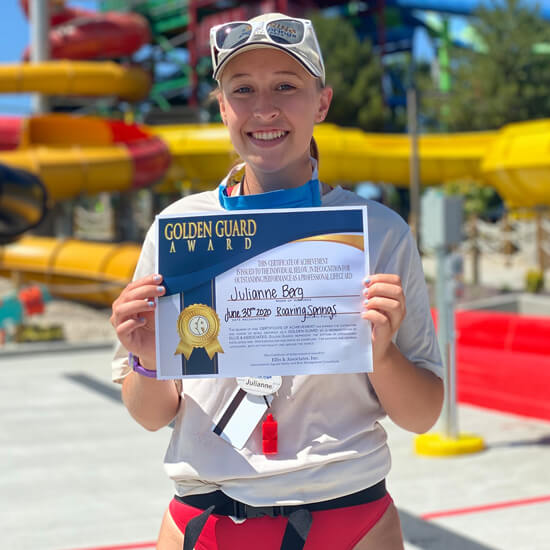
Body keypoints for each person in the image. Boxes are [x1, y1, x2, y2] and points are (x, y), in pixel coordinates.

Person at [110, 12, 444, 550]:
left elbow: (424, 414)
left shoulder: (377, 232)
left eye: (286, 86)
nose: (264, 108)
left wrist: (381, 353)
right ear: (222, 107)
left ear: (322, 102)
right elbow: (151, 416)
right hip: (207, 520)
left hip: (349, 515)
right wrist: (148, 359)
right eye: (243, 89)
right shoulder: (180, 230)